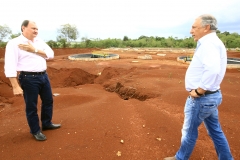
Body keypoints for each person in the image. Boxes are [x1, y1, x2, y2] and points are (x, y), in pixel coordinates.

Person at [164, 14, 233, 160]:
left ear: (206, 28)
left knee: (189, 131)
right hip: (211, 96)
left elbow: (213, 69)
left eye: (194, 27)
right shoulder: (213, 42)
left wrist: (199, 90)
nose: (191, 31)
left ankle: (180, 158)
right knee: (215, 131)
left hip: (202, 98)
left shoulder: (209, 44)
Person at [4, 20, 61, 141]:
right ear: (23, 28)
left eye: (37, 29)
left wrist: (34, 50)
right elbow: (10, 65)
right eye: (33, 28)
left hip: (43, 76)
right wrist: (15, 86)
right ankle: (35, 130)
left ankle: (46, 123)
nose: (36, 31)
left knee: (48, 100)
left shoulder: (39, 42)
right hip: (28, 78)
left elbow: (50, 54)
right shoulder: (14, 43)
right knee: (31, 105)